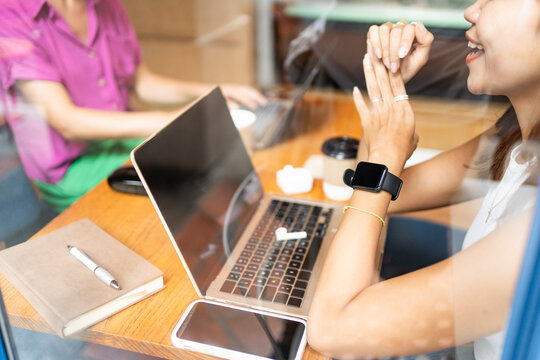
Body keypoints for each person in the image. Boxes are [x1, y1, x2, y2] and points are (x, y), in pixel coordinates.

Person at [307, 0, 539, 359]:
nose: (472, 11)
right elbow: (384, 191)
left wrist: (386, 156)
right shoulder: (514, 140)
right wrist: (388, 83)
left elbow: (331, 327)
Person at [0, 0, 266, 213]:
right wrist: (182, 119)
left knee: (213, 167)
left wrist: (213, 92)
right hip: (71, 167)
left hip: (124, 139)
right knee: (186, 196)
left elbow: (142, 82)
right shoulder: (11, 14)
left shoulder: (107, 5)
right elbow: (67, 122)